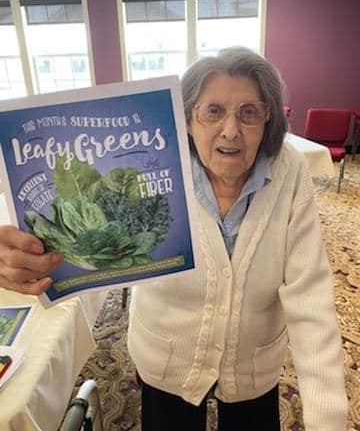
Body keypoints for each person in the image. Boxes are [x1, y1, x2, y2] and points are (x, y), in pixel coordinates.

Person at [0, 47, 348, 430]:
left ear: (268, 119)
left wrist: (328, 419)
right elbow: (84, 250)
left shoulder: (288, 170)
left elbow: (309, 295)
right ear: (186, 119)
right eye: (212, 111)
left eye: (249, 112)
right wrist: (29, 258)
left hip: (253, 365)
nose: (230, 130)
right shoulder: (147, 166)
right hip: (166, 361)